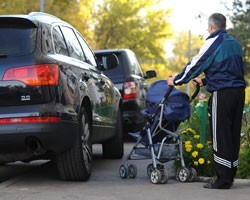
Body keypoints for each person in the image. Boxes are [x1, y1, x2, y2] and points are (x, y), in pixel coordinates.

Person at [167, 13, 246, 189]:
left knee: (220, 134)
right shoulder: (235, 44)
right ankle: (229, 174)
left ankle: (222, 179)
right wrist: (205, 81)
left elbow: (196, 64)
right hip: (238, 92)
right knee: (232, 133)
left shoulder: (213, 42)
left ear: (211, 27)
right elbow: (229, 71)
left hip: (223, 94)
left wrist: (177, 80)